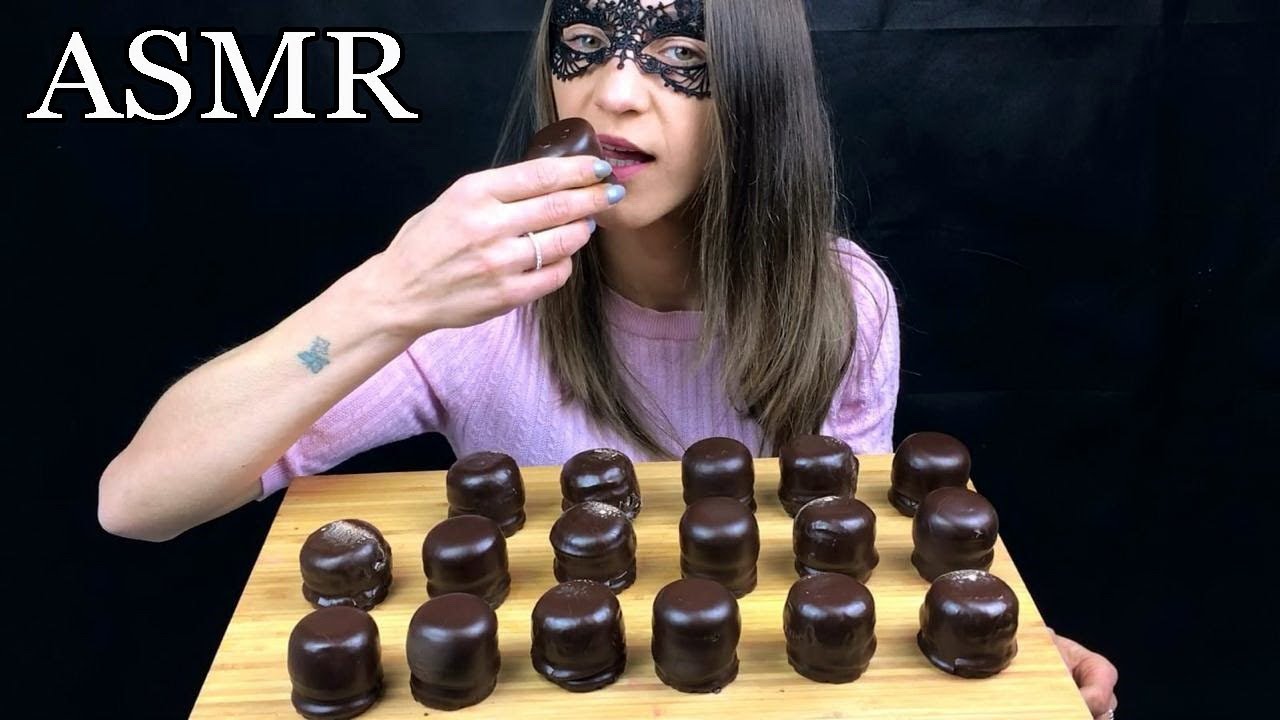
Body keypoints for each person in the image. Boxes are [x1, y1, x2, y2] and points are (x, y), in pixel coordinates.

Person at [96, 0, 1115, 715]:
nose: (614, 92)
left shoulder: (846, 300)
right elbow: (138, 501)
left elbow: (848, 561)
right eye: (583, 44)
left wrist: (996, 648)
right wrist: (387, 295)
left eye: (679, 54)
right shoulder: (469, 303)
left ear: (756, 92)